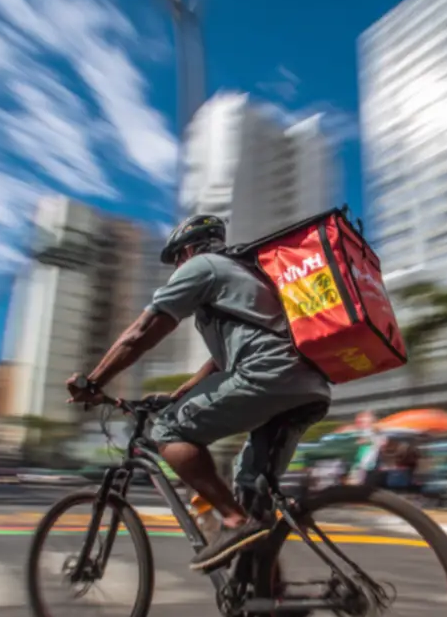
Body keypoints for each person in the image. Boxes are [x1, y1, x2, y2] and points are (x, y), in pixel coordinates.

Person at [66, 214, 331, 572]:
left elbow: (140, 333)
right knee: (250, 484)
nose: (177, 267)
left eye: (177, 258)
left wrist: (95, 382)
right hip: (310, 386)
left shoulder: (202, 266)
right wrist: (186, 390)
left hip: (269, 376)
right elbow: (228, 354)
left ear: (188, 249)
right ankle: (267, 595)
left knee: (168, 432)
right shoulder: (249, 277)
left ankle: (234, 522)